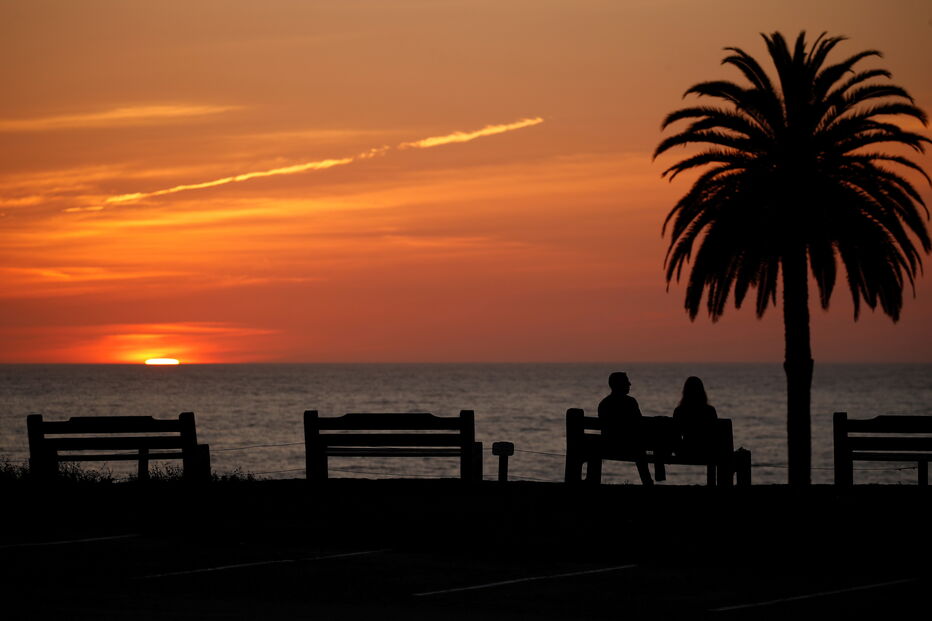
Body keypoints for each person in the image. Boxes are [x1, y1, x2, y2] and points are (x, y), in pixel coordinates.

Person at [597, 372, 658, 484]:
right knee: (639, 447)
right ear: (619, 384)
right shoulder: (630, 402)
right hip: (630, 446)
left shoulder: (604, 404)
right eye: (626, 382)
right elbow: (639, 425)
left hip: (609, 446)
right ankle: (647, 482)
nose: (630, 384)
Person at [673, 376, 719, 459]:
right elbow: (715, 435)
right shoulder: (710, 411)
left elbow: (675, 437)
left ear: (685, 392)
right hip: (707, 452)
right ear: (702, 392)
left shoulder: (679, 411)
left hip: (685, 452)